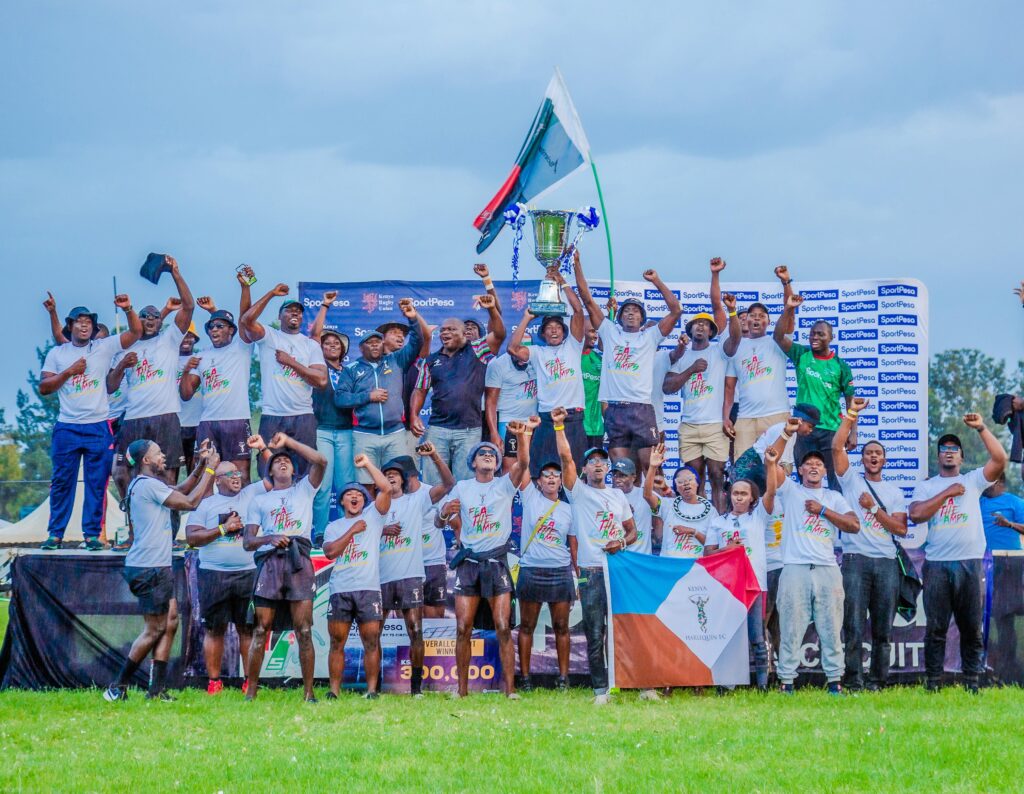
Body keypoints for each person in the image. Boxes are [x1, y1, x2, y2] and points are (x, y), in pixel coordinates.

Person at [102, 439, 218, 702]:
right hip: (149, 568)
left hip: (155, 566)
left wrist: (200, 465)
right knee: (154, 629)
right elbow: (189, 502)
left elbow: (180, 489)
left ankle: (156, 689)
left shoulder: (144, 485)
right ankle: (116, 686)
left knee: (172, 620)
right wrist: (211, 470)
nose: (164, 455)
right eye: (158, 453)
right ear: (146, 461)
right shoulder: (148, 485)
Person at [908, 414, 1007, 692]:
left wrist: (982, 428)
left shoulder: (973, 480)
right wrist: (947, 493)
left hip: (970, 564)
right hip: (938, 564)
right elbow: (915, 515)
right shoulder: (927, 486)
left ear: (961, 458)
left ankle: (972, 683)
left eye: (954, 449)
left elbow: (1000, 461)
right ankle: (933, 684)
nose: (948, 452)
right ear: (938, 457)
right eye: (944, 449)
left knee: (971, 628)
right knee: (936, 629)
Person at [437, 420, 533, 698]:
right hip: (468, 565)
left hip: (496, 563)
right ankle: (462, 691)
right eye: (483, 453)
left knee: (503, 628)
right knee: (462, 628)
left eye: (492, 453)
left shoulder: (504, 484)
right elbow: (437, 520)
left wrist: (521, 436)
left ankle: (510, 690)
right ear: (473, 462)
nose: (488, 456)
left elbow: (524, 463)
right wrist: (444, 512)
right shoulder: (463, 488)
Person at [39, 295, 141, 551]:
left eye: (88, 322)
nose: (84, 325)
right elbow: (44, 387)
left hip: (97, 427)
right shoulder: (57, 353)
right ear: (70, 326)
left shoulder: (103, 347)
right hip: (67, 427)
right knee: (63, 482)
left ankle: (92, 535)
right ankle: (55, 534)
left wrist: (128, 308)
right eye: (79, 321)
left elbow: (136, 332)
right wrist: (69, 372)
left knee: (97, 483)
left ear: (93, 329)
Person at [762, 440, 858, 695]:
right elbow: (772, 463)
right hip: (794, 568)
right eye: (808, 464)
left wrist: (824, 511)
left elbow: (853, 525)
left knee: (831, 626)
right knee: (791, 627)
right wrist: (776, 452)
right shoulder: (792, 491)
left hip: (827, 568)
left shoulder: (833, 497)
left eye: (818, 464)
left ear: (825, 471)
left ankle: (835, 682)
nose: (813, 467)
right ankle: (787, 681)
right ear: (801, 470)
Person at [574, 256, 682, 475]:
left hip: (641, 408)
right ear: (620, 316)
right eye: (627, 311)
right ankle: (627, 509)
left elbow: (676, 311)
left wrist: (657, 281)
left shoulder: (651, 336)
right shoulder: (609, 331)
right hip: (615, 411)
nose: (631, 313)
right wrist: (577, 262)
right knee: (623, 473)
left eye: (636, 311)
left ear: (642, 318)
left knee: (651, 469)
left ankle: (654, 509)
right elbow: (586, 298)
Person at [243, 433, 327, 702]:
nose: (282, 463)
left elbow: (321, 460)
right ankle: (251, 692)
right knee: (261, 629)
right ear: (269, 471)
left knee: (303, 629)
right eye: (276, 461)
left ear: (293, 470)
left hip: (298, 560)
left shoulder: (304, 489)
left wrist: (288, 443)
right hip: (270, 562)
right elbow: (247, 542)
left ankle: (308, 692)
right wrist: (269, 538)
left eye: (287, 461)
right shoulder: (259, 501)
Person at [832, 397, 909, 691]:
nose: (873, 457)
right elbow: (837, 447)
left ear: (885, 460)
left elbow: (901, 529)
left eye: (878, 453)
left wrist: (874, 509)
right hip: (855, 560)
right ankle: (853, 681)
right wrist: (852, 415)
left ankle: (878, 681)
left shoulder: (893, 491)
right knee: (852, 626)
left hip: (887, 563)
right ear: (862, 459)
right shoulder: (851, 481)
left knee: (882, 629)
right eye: (868, 453)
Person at [110, 258, 196, 500]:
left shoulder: (170, 338)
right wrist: (121, 367)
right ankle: (134, 531)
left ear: (162, 321)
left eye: (155, 316)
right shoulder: (126, 345)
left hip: (165, 417)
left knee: (168, 479)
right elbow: (110, 386)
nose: (150, 319)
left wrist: (175, 272)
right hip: (134, 419)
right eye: (145, 316)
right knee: (121, 473)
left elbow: (189, 307)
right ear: (138, 320)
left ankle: (168, 535)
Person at [561, 431, 637, 704]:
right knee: (594, 632)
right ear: (584, 469)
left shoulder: (618, 495)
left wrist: (621, 543)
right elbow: (565, 458)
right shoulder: (578, 493)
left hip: (616, 569)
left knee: (622, 629)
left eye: (602, 461)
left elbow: (632, 532)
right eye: (591, 461)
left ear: (608, 468)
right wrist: (559, 428)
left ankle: (625, 683)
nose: (597, 465)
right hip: (589, 571)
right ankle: (599, 690)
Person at [411, 267, 505, 483]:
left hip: (469, 430)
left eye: (451, 329)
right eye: (443, 330)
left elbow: (499, 334)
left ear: (465, 335)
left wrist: (491, 309)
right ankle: (436, 518)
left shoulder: (477, 351)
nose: (445, 333)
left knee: (464, 485)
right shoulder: (430, 360)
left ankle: (461, 518)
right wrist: (415, 415)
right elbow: (420, 389)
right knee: (435, 486)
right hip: (437, 429)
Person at [185, 458, 270, 694]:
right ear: (217, 480)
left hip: (246, 573)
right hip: (214, 574)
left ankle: (249, 682)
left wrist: (262, 449)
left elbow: (275, 478)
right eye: (229, 474)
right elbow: (192, 538)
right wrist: (223, 529)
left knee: (246, 629)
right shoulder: (206, 505)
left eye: (238, 473)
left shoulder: (251, 493)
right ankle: (214, 682)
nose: (236, 476)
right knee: (215, 629)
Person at [376, 444, 455, 696]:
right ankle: (373, 685)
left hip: (411, 576)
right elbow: (358, 532)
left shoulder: (417, 499)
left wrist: (433, 455)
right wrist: (382, 529)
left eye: (395, 474)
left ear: (404, 479)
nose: (391, 476)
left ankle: (416, 688)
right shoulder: (374, 508)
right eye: (386, 474)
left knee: (417, 631)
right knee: (373, 632)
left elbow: (448, 483)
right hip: (382, 578)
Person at [513, 406, 578, 692]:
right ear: (539, 481)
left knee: (562, 627)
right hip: (531, 569)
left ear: (560, 481)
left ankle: (564, 678)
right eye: (547, 475)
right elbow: (523, 465)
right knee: (526, 626)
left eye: (556, 475)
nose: (551, 479)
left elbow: (573, 545)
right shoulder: (529, 497)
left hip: (560, 570)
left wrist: (577, 575)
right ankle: (525, 678)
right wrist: (528, 432)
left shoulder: (569, 509)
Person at [240, 283, 328, 476]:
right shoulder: (270, 336)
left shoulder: (310, 345)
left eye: (298, 311)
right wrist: (271, 293)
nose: (295, 313)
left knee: (305, 474)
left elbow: (321, 380)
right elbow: (246, 321)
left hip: (303, 416)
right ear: (279, 316)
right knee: (269, 471)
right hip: (273, 415)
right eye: (289, 310)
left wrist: (291, 363)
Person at [322, 456, 392, 699]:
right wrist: (352, 530)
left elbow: (386, 488)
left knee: (371, 640)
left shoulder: (374, 516)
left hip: (368, 588)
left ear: (365, 500)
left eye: (360, 495)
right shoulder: (334, 526)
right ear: (341, 501)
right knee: (336, 642)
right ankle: (334, 691)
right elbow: (330, 552)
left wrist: (367, 465)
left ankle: (372, 690)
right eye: (350, 494)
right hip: (340, 589)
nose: (355, 497)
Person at [665, 288, 741, 511]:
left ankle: (719, 523)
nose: (700, 326)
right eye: (696, 323)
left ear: (711, 331)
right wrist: (690, 369)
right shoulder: (681, 355)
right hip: (689, 426)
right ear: (690, 329)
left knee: (717, 476)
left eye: (705, 324)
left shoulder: (719, 352)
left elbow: (735, 338)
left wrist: (733, 312)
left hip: (714, 425)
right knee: (694, 478)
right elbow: (667, 387)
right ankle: (700, 523)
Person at [507, 264, 587, 474]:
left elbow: (578, 311)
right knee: (542, 470)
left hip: (573, 416)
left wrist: (562, 282)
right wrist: (527, 317)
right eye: (549, 328)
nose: (554, 331)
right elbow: (513, 349)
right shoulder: (537, 352)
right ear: (542, 334)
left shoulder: (573, 345)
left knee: (574, 469)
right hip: (546, 418)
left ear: (564, 331)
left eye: (558, 327)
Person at [180, 271, 257, 485]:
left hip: (236, 420)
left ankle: (239, 517)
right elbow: (186, 395)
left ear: (231, 331)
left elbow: (245, 317)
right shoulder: (202, 355)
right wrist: (186, 371)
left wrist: (245, 287)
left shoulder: (241, 347)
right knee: (205, 475)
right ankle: (207, 516)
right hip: (207, 423)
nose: (214, 329)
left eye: (219, 326)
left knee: (240, 475)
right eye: (211, 327)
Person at [773, 293, 855, 489]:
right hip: (804, 430)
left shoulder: (841, 366)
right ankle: (805, 519)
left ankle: (837, 517)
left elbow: (851, 402)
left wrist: (853, 432)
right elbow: (777, 337)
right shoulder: (802, 354)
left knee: (836, 481)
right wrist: (788, 309)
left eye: (820, 334)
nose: (815, 337)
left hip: (832, 430)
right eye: (812, 334)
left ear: (831, 337)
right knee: (804, 481)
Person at [341, 299, 429, 480]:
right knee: (367, 482)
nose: (374, 345)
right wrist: (368, 396)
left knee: (397, 481)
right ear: (361, 347)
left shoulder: (396, 360)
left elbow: (418, 341)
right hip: (365, 434)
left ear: (382, 345)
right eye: (369, 342)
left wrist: (412, 318)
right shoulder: (351, 368)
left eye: (377, 342)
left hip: (395, 433)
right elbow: (340, 398)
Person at [704, 477, 771, 690]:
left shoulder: (758, 517)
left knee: (757, 637)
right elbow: (708, 553)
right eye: (735, 493)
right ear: (728, 495)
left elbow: (771, 494)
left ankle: (762, 687)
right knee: (728, 636)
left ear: (752, 498)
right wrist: (727, 548)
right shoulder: (718, 522)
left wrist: (771, 465)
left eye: (744, 494)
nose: (739, 497)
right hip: (727, 586)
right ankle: (725, 685)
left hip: (754, 584)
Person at [723, 300, 794, 460]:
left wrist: (788, 299)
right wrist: (726, 417)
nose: (756, 319)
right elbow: (729, 387)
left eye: (761, 316)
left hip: (776, 416)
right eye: (752, 316)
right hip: (745, 418)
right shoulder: (737, 348)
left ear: (768, 322)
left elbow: (789, 322)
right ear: (745, 320)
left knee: (779, 468)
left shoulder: (778, 342)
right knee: (743, 469)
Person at [981, 472, 1024, 682]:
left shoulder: (1015, 502)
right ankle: (983, 667)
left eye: (990, 480)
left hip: (1009, 564)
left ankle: (1010, 670)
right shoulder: (977, 501)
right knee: (981, 617)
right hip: (980, 565)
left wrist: (1009, 525)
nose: (985, 484)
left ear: (1000, 482)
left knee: (1005, 617)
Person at [731, 404, 820, 493]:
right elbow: (772, 461)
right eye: (810, 426)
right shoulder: (782, 430)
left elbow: (785, 467)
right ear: (800, 421)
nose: (811, 430)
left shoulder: (793, 434)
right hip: (751, 466)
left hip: (761, 468)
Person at [645, 455, 716, 559]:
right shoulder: (667, 505)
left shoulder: (711, 511)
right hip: (670, 566)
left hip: (696, 568)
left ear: (697, 483)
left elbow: (713, 546)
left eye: (690, 479)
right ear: (676, 488)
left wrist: (693, 531)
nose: (686, 483)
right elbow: (647, 495)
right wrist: (652, 467)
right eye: (680, 481)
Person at [484, 350, 537, 469]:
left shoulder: (537, 359)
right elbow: (490, 402)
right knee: (510, 469)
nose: (522, 359)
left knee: (530, 467)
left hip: (532, 423)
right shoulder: (498, 364)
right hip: (508, 423)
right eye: (518, 355)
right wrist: (494, 433)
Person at [175, 323, 203, 474]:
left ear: (195, 339)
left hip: (197, 424)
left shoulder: (201, 360)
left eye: (190, 335)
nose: (186, 339)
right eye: (182, 336)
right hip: (174, 425)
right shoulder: (167, 360)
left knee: (196, 473)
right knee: (170, 473)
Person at [580, 318, 604, 448]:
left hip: (595, 427)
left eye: (597, 332)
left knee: (594, 465)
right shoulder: (570, 357)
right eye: (591, 331)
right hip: (573, 425)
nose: (595, 335)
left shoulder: (600, 360)